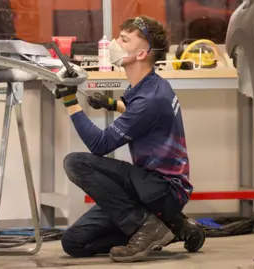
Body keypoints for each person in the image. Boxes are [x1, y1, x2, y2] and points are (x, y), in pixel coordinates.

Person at [52, 15, 205, 263]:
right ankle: (173, 227)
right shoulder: (149, 85)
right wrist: (110, 104)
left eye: (124, 40)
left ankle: (148, 226)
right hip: (146, 188)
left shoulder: (150, 99)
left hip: (164, 189)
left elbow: (100, 145)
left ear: (142, 54)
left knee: (76, 163)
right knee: (74, 243)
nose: (114, 43)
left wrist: (70, 100)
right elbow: (139, 112)